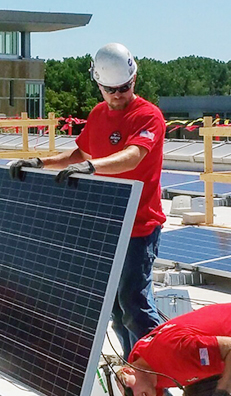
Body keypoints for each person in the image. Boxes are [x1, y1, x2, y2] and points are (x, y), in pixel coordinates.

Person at [9, 42, 166, 361]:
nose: (117, 95)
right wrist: (42, 162)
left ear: (134, 80)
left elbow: (133, 157)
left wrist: (93, 167)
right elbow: (81, 152)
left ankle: (166, 370)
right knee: (115, 310)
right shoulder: (97, 115)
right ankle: (135, 372)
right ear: (98, 85)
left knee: (135, 306)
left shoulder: (148, 116)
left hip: (139, 227)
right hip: (106, 224)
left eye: (123, 88)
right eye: (110, 89)